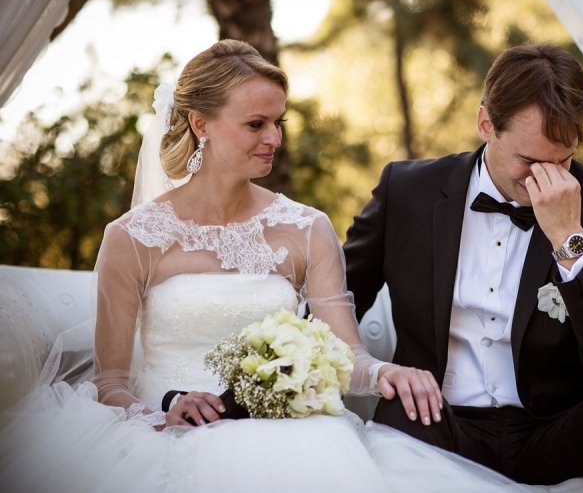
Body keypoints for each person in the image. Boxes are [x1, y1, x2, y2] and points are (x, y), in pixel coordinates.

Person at [0, 40, 533, 493]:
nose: (275, 139)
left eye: (278, 122)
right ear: (199, 123)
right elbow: (111, 381)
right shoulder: (131, 238)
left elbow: (346, 354)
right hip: (164, 433)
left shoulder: (305, 228)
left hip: (291, 430)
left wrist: (387, 372)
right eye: (256, 123)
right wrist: (165, 408)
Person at [344, 43, 583, 492]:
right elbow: (336, 302)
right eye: (529, 162)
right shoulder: (407, 191)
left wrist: (570, 241)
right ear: (486, 123)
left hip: (551, 430)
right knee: (403, 412)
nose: (546, 180)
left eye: (563, 161)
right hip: (440, 423)